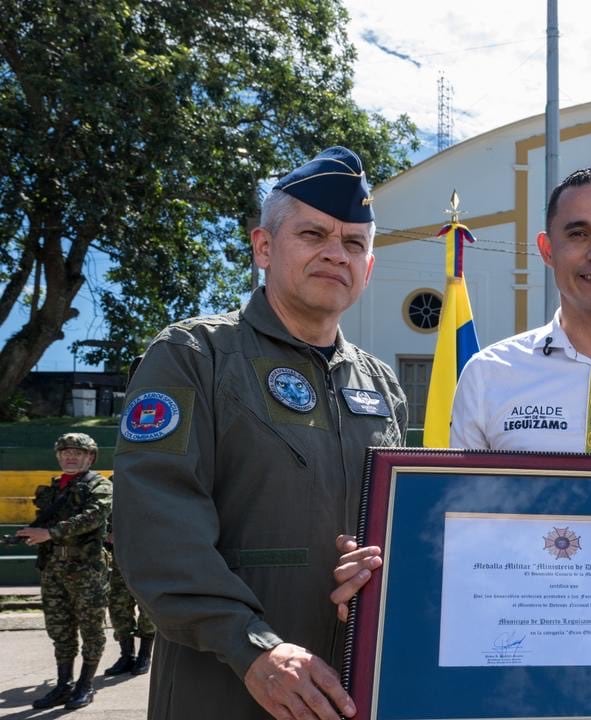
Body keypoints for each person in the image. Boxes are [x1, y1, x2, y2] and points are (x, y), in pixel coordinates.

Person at [329, 162, 591, 617]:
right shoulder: (489, 374)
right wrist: (387, 568)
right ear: (547, 249)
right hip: (516, 640)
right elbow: (457, 524)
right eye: (579, 234)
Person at [113, 146, 408, 720]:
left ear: (368, 268)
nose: (335, 253)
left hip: (354, 687)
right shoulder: (194, 356)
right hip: (226, 686)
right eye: (314, 234)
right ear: (264, 247)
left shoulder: (382, 383)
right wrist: (252, 648)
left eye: (353, 243)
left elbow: (395, 526)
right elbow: (155, 527)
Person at [16, 432, 112, 709]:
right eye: (65, 452)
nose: (70, 457)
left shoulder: (101, 486)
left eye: (77, 453)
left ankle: (85, 684)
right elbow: (44, 523)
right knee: (60, 628)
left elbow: (92, 517)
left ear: (90, 457)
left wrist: (50, 533)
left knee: (91, 628)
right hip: (53, 567)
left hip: (87, 569)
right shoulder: (55, 488)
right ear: (58, 456)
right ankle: (63, 685)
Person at [102, 515, 156, 677]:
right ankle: (127, 656)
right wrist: (109, 533)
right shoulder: (118, 492)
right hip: (121, 555)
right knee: (118, 605)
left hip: (148, 554)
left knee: (146, 607)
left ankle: (144, 655)